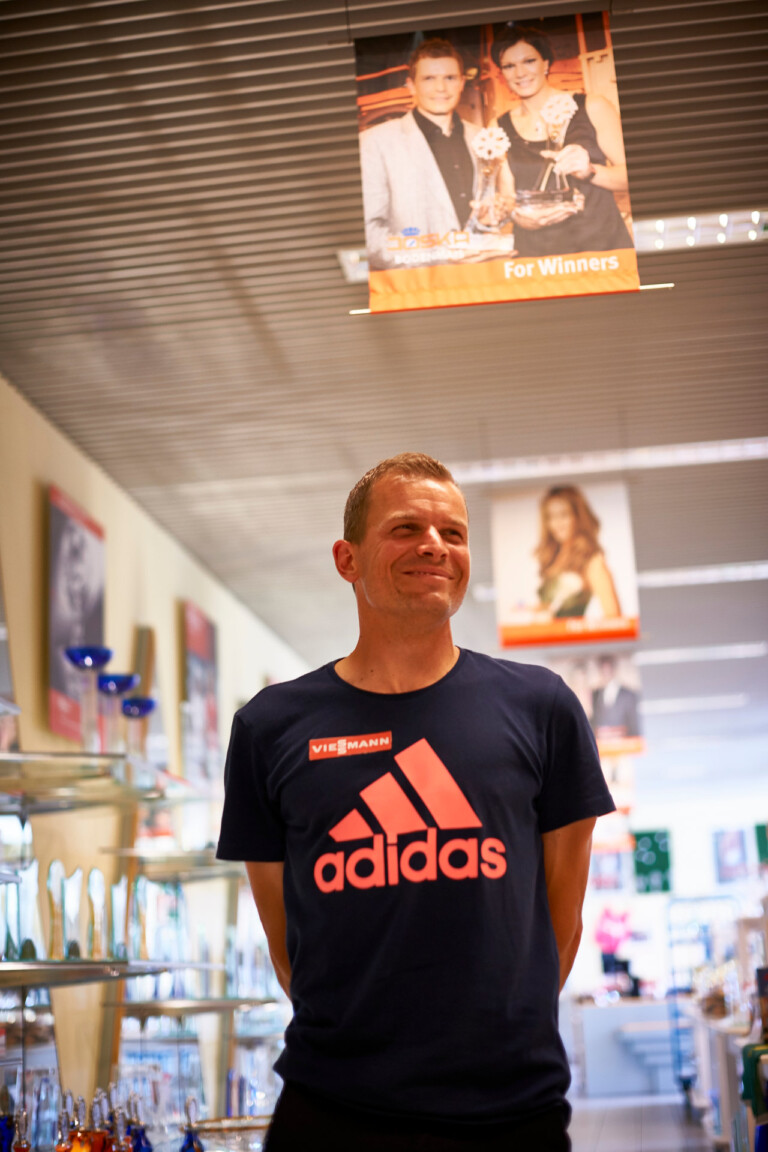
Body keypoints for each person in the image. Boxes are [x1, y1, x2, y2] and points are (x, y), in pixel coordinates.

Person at [217, 453, 615, 1151]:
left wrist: (495, 1035)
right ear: (347, 559)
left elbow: (563, 919)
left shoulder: (541, 707)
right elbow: (286, 943)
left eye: (452, 533)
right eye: (406, 528)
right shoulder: (270, 727)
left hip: (510, 1110)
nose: (434, 546)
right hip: (332, 1108)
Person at [490, 24, 634, 257]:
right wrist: (516, 215)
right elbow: (508, 196)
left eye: (529, 61)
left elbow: (631, 177)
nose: (520, 73)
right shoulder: (498, 126)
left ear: (546, 63)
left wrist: (590, 171)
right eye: (509, 66)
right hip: (537, 255)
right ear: (501, 73)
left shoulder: (592, 106)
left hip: (600, 250)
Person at [359, 39, 482, 270]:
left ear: (462, 83)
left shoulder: (482, 137)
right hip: (420, 281)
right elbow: (369, 234)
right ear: (411, 86)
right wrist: (438, 255)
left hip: (485, 276)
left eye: (450, 78)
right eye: (429, 79)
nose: (441, 88)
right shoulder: (375, 142)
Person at [535, 485, 621, 619]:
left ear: (578, 517)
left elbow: (614, 616)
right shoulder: (552, 559)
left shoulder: (592, 561)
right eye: (551, 517)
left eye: (564, 515)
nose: (557, 524)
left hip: (571, 632)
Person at [591, 655, 641, 741]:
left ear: (613, 670)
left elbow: (634, 725)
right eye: (603, 670)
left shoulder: (628, 695)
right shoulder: (596, 694)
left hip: (624, 744)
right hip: (602, 744)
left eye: (607, 670)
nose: (605, 673)